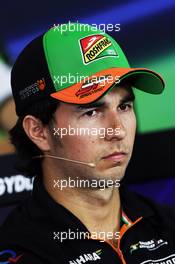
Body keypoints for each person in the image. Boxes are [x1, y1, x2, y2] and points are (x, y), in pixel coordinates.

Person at [0, 23, 175, 264]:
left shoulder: (167, 225)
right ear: (39, 131)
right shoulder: (20, 253)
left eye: (124, 107)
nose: (118, 130)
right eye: (92, 112)